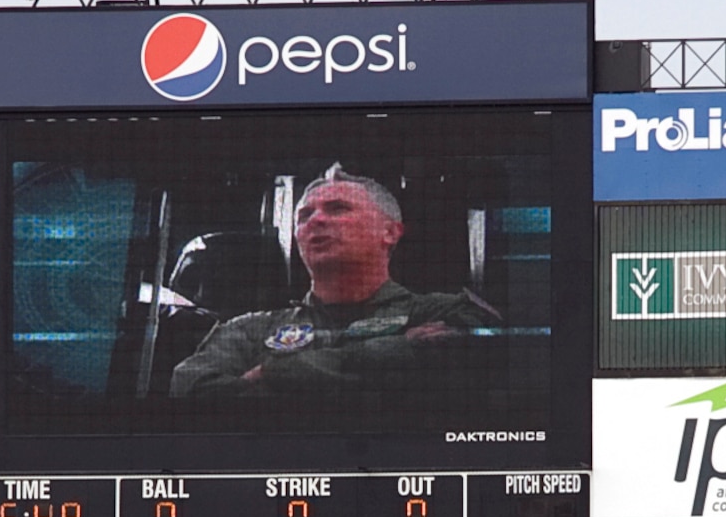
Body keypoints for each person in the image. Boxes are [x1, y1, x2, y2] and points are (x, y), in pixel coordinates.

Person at [169, 166, 503, 404]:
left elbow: (469, 373)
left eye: (338, 209)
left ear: (390, 232)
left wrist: (273, 373)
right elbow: (194, 396)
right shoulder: (249, 329)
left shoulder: (450, 311)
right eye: (304, 216)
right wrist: (399, 349)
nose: (316, 220)